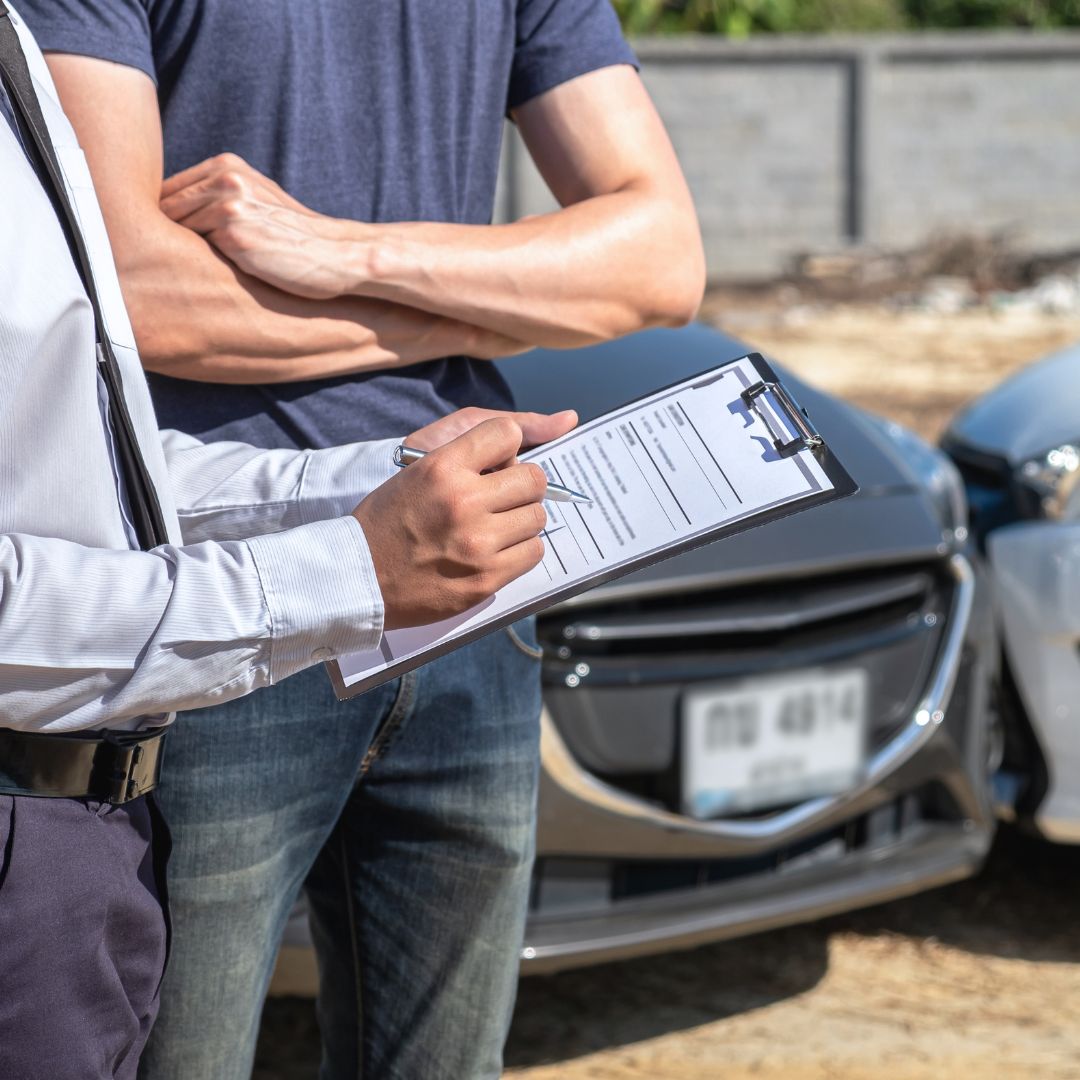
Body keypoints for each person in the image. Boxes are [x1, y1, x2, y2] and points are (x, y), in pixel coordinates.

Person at [21, 1, 705, 1076]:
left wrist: (339, 251)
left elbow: (657, 262)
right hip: (224, 588)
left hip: (478, 578)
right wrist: (499, 303)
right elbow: (133, 292)